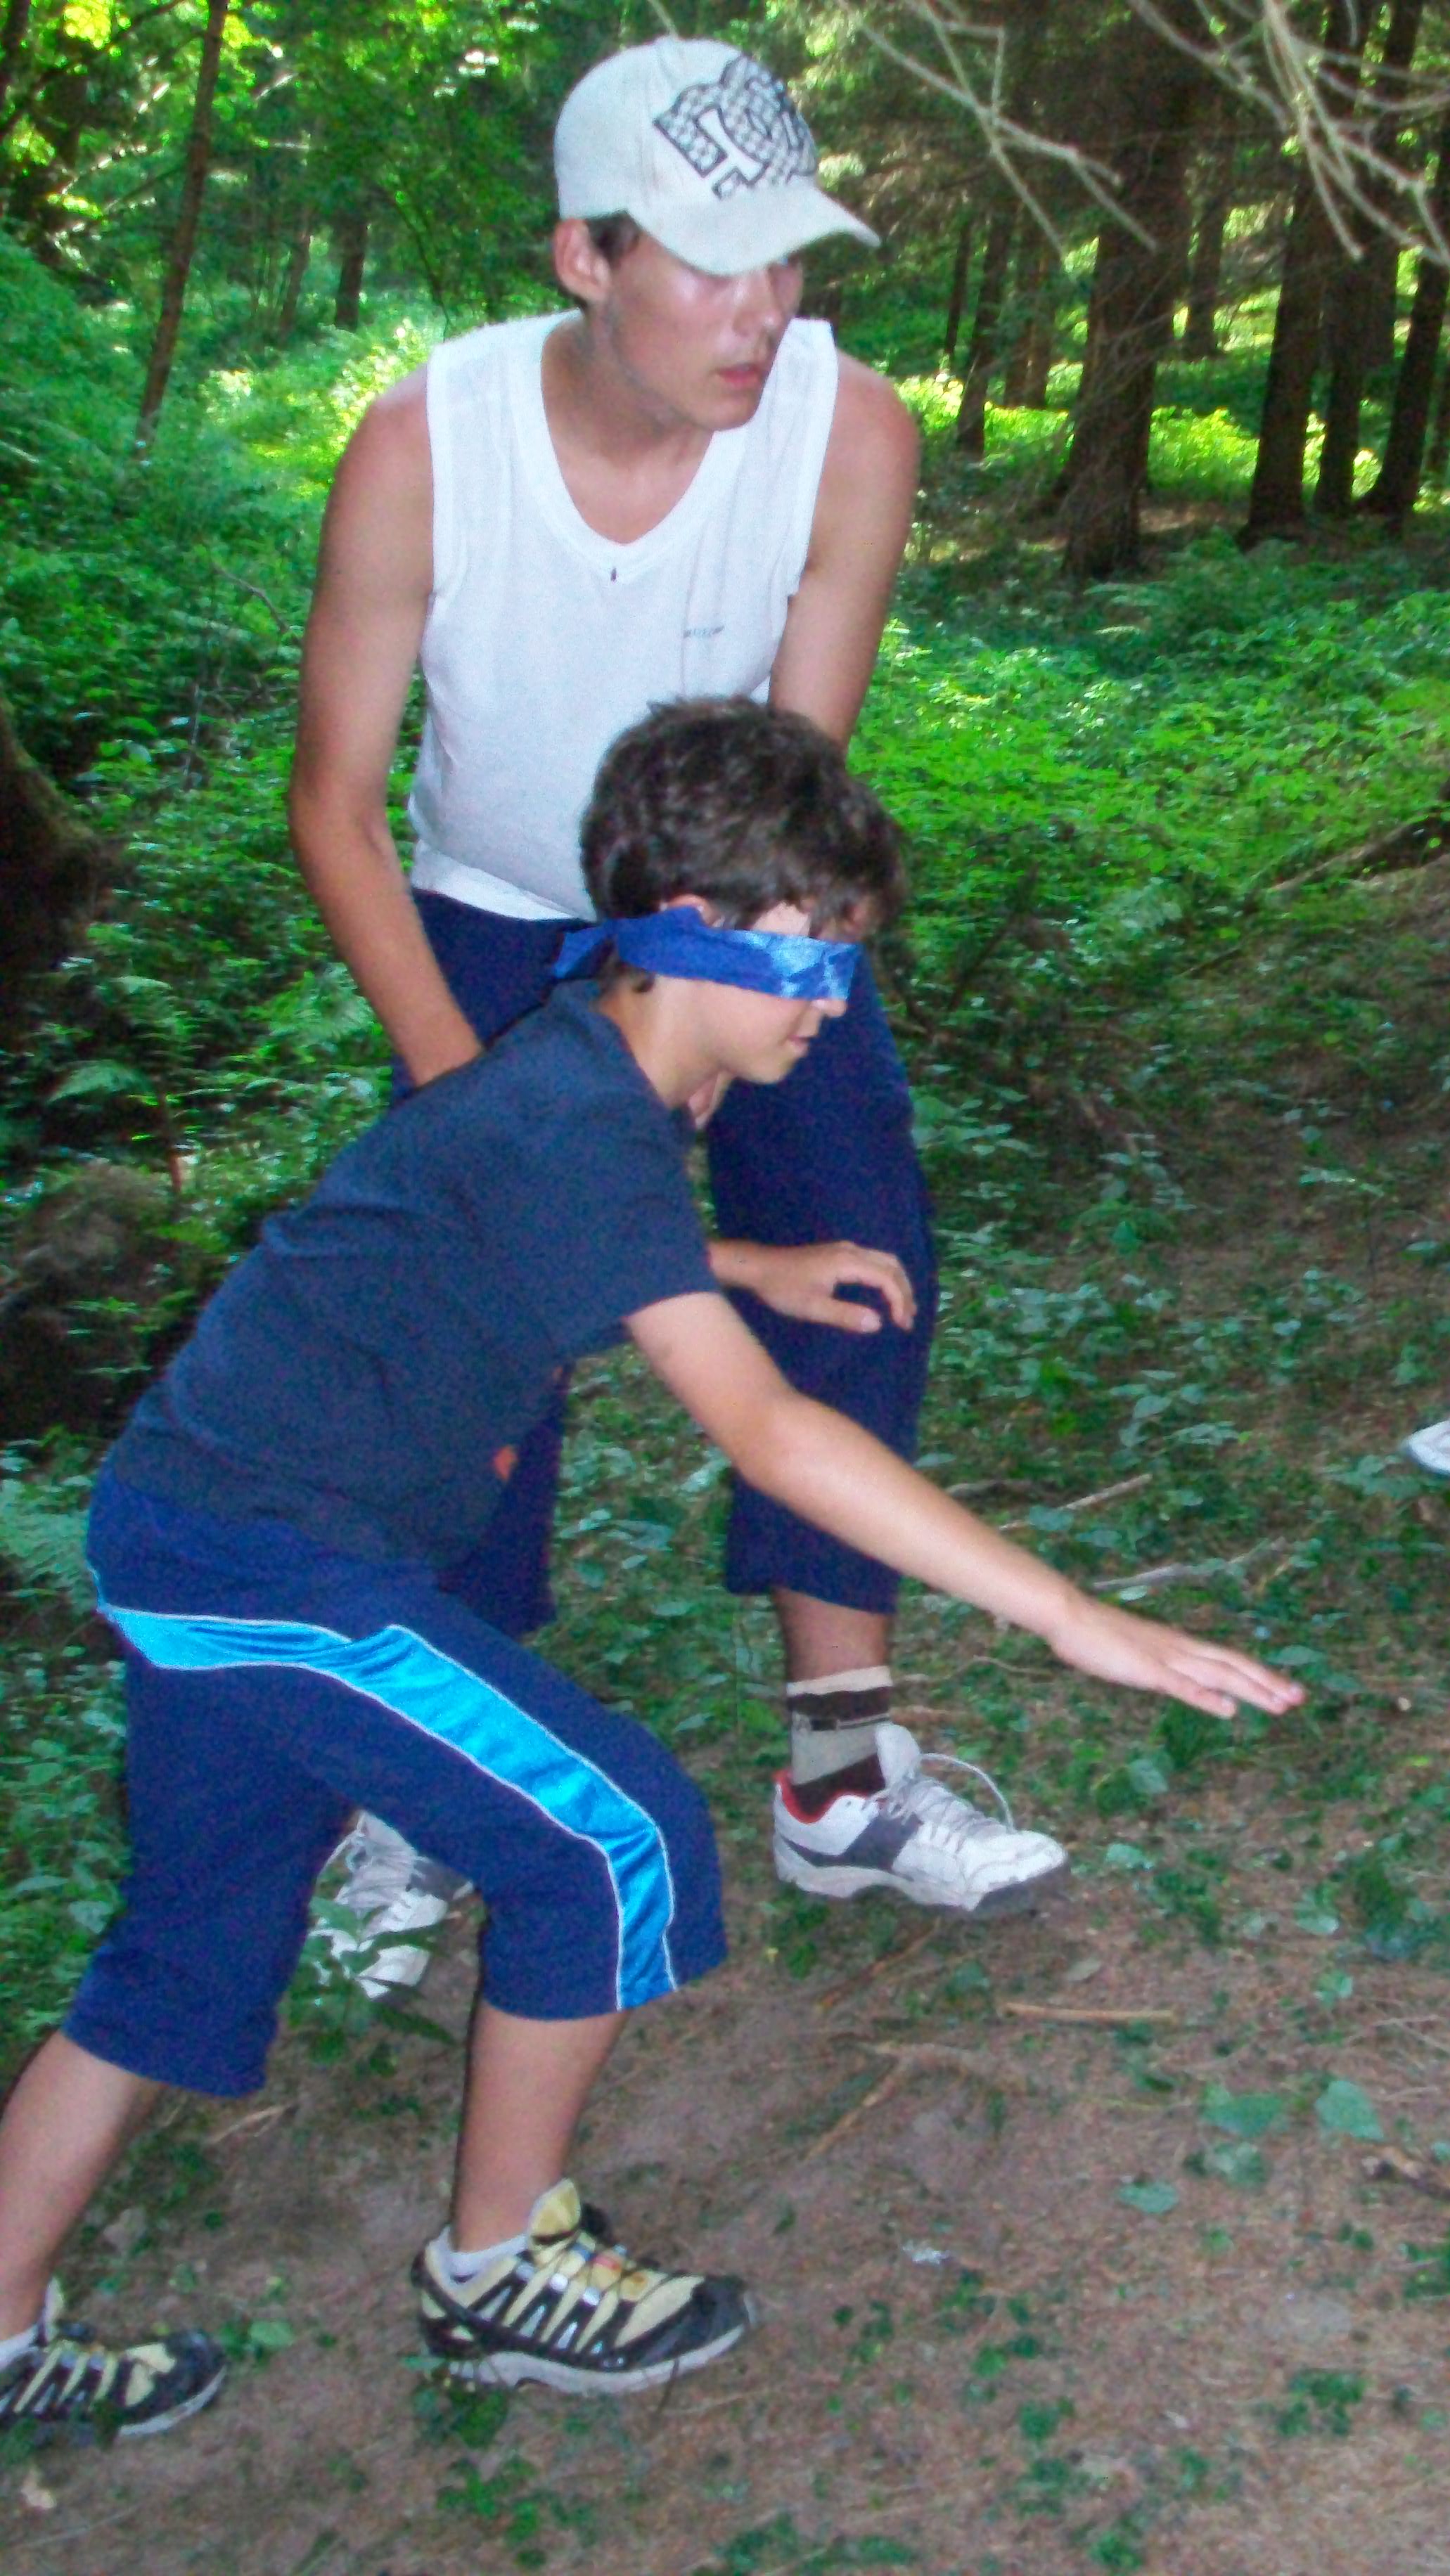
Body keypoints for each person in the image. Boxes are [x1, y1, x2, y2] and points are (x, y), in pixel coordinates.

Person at [0, 702, 1303, 2438]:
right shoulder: (573, 1105)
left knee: (183, 1949)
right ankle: (497, 2270)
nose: (831, 1000)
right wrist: (1072, 1615)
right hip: (266, 1557)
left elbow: (564, 1231)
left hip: (205, 1524)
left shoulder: (601, 1071)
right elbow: (769, 1434)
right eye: (812, 957)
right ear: (694, 930)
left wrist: (750, 1264)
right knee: (613, 1834)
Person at [289, 35, 1070, 1969]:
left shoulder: (845, 433)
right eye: (712, 265)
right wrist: (484, 1106)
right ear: (585, 257)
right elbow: (335, 807)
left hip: (748, 907)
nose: (761, 310)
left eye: (786, 258)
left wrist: (722, 1014)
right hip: (488, 919)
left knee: (857, 1252)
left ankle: (842, 1777)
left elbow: (790, 796)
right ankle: (432, 1782)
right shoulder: (427, 445)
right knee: (466, 1314)